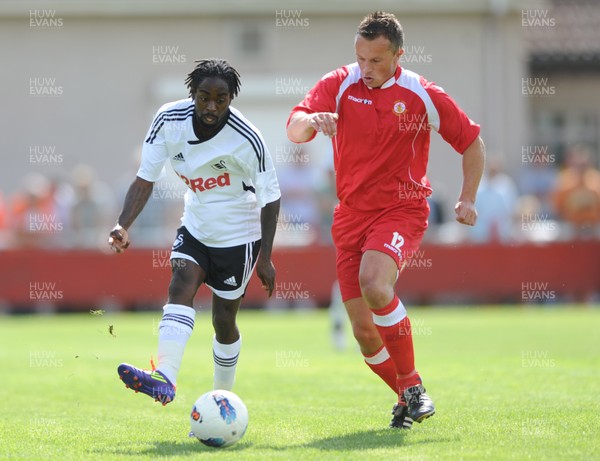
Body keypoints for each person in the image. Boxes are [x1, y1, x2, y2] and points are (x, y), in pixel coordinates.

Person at [287, 11, 485, 429]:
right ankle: (404, 397)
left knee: (375, 285)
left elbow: (472, 143)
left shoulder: (422, 94)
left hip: (402, 209)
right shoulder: (340, 82)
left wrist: (467, 199)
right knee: (363, 333)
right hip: (350, 216)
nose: (367, 69)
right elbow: (295, 125)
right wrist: (311, 122)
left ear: (399, 55)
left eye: (377, 61)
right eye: (361, 59)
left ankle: (412, 385)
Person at [109, 59, 281, 405]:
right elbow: (146, 179)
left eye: (221, 99)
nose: (211, 107)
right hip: (197, 223)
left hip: (239, 235)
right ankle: (165, 378)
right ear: (193, 94)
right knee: (180, 283)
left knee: (223, 321)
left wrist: (266, 257)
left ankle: (222, 399)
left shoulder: (247, 138)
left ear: (232, 99)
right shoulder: (167, 121)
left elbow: (271, 198)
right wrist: (122, 224)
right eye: (204, 97)